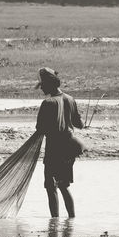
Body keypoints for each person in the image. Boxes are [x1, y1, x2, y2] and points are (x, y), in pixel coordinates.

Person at [35, 67, 83, 218]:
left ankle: (54, 222)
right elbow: (78, 124)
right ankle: (71, 220)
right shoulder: (70, 99)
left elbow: (40, 128)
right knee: (63, 185)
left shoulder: (47, 103)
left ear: (49, 84)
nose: (41, 87)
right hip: (70, 148)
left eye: (42, 84)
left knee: (50, 186)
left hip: (54, 149)